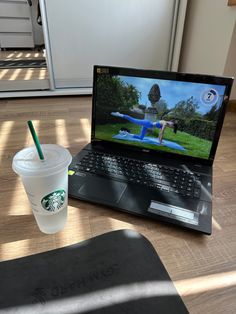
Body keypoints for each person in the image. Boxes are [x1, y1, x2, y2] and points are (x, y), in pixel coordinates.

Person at [111, 112, 178, 144]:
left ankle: (126, 133)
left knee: (141, 138)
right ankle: (119, 114)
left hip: (147, 126)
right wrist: (160, 142)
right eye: (172, 126)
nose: (171, 127)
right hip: (147, 123)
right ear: (171, 123)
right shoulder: (165, 123)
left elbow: (160, 132)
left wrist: (159, 139)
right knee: (132, 120)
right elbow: (162, 132)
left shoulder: (164, 123)